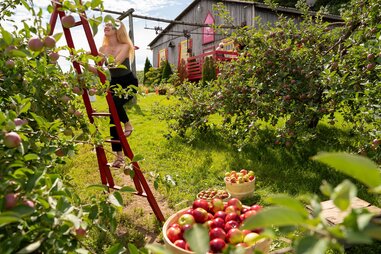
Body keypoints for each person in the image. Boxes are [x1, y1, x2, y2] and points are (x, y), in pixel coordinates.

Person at [99, 20, 138, 168]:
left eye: (111, 25)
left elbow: (114, 64)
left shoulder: (126, 46)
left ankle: (128, 124)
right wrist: (83, 61)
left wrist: (98, 55)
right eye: (105, 24)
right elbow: (99, 70)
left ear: (118, 30)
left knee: (114, 105)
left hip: (128, 82)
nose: (106, 26)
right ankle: (119, 157)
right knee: (112, 117)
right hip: (114, 83)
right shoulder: (102, 48)